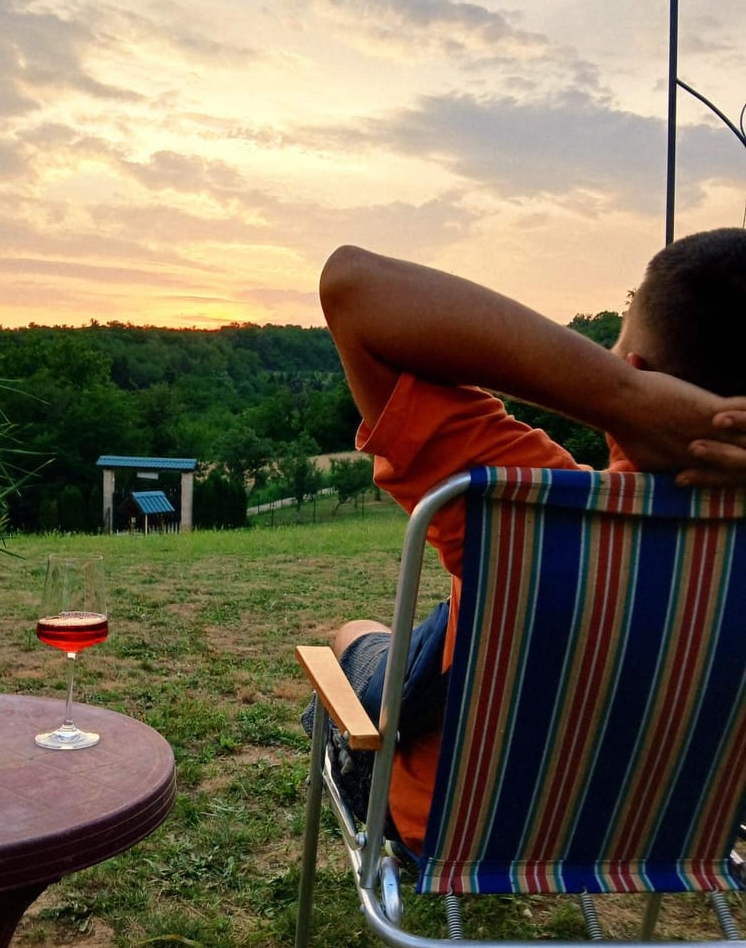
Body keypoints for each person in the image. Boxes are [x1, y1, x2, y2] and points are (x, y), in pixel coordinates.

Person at [313, 228, 746, 854]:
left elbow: (353, 284)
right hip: (666, 846)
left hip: (456, 835)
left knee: (356, 635)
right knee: (429, 640)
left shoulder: (533, 503)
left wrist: (623, 399)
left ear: (636, 373)